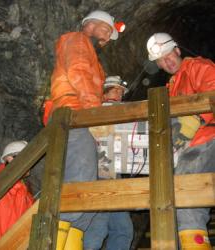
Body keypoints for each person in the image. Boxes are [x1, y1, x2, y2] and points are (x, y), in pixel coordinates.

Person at [50, 9, 122, 248]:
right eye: (106, 30)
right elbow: (78, 72)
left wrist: (102, 98)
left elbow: (87, 80)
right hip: (75, 116)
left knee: (86, 195)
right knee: (80, 182)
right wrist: (95, 114)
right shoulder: (77, 39)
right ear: (92, 23)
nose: (107, 38)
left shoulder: (90, 52)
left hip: (81, 115)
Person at [146, 32, 215, 249]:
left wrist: (196, 118)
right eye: (160, 61)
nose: (166, 62)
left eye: (168, 55)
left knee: (186, 196)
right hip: (189, 147)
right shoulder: (171, 86)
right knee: (173, 198)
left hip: (208, 137)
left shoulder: (198, 67)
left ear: (177, 50)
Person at [84, 76, 134, 250]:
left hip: (114, 172)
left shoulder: (123, 112)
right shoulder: (97, 110)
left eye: (121, 92)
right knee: (98, 224)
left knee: (123, 229)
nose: (119, 94)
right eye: (115, 90)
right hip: (101, 167)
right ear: (104, 94)